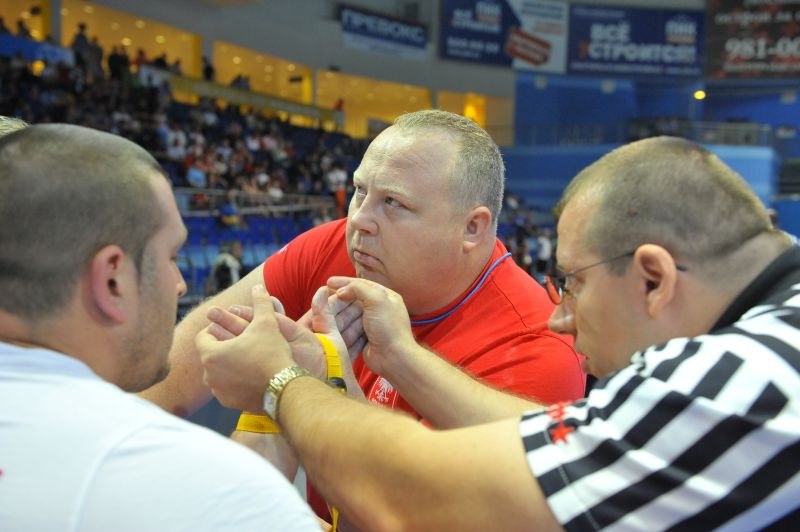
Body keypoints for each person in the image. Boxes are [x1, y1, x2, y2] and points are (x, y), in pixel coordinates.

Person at [198, 136, 800, 530]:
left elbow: (418, 499)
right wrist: (401, 358)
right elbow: (552, 440)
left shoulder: (733, 384)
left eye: (573, 282)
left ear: (653, 278)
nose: (560, 314)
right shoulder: (771, 340)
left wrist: (280, 384)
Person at [141, 109, 584, 517]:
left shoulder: (535, 349)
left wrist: (287, 386)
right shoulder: (338, 247)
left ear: (472, 228)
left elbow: (407, 515)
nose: (360, 220)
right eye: (359, 191)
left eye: (394, 203)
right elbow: (179, 366)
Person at [0, 124, 318, 530]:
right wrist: (288, 385)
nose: (180, 284)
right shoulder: (212, 492)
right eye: (170, 258)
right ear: (112, 280)